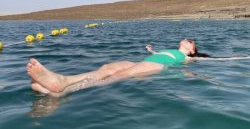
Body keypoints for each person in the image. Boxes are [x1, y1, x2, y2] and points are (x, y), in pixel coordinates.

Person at [27, 39, 207, 97]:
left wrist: (233, 58)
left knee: (121, 74)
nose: (186, 39)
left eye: (190, 41)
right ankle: (63, 81)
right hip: (142, 62)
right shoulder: (170, 50)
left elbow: (212, 62)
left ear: (192, 50)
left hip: (159, 67)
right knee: (106, 68)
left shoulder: (186, 57)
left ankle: (64, 92)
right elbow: (158, 52)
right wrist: (151, 50)